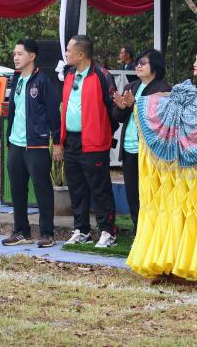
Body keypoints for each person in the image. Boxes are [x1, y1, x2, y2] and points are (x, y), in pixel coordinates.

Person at [1, 39, 62, 248]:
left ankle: (47, 233)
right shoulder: (17, 79)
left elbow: (53, 113)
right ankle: (21, 231)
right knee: (17, 189)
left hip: (36, 144)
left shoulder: (42, 80)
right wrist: (9, 138)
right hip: (15, 144)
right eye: (14, 54)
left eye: (20, 54)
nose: (15, 57)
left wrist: (57, 141)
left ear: (32, 56)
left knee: (42, 189)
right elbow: (14, 110)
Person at [60, 35, 119, 248]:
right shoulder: (69, 74)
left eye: (69, 50)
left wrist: (103, 132)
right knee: (76, 188)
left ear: (81, 54)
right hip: (72, 140)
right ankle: (81, 230)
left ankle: (108, 231)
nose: (66, 53)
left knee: (100, 188)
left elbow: (114, 110)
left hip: (94, 142)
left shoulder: (102, 75)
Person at [111, 49, 171, 234]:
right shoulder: (131, 86)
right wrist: (121, 107)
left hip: (149, 151)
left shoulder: (163, 88)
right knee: (132, 193)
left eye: (143, 63)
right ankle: (138, 231)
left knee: (150, 193)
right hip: (129, 148)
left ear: (155, 66)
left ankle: (152, 233)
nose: (138, 66)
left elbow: (158, 118)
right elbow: (119, 117)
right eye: (137, 63)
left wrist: (134, 105)